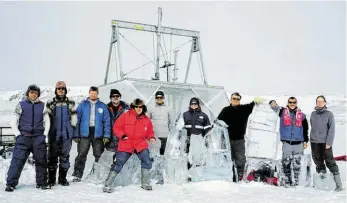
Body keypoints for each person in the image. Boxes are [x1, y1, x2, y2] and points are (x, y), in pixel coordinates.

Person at [103, 98, 156, 192]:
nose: (139, 109)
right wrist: (122, 135)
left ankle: (145, 183)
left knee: (146, 160)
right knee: (119, 162)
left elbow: (149, 132)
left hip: (140, 143)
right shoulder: (125, 116)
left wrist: (151, 137)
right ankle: (107, 184)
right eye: (137, 107)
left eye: (141, 107)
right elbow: (116, 127)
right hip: (126, 143)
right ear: (133, 107)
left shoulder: (146, 119)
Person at [6, 84, 51, 192]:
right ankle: (11, 184)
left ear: (38, 95)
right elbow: (14, 120)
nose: (34, 94)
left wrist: (45, 134)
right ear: (28, 93)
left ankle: (42, 183)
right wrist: (17, 134)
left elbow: (47, 120)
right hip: (23, 137)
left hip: (38, 137)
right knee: (17, 161)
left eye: (36, 93)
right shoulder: (21, 104)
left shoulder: (43, 105)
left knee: (41, 161)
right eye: (32, 92)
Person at [217, 92, 263, 182]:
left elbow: (252, 104)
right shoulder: (225, 110)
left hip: (239, 140)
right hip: (227, 140)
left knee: (240, 160)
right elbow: (218, 122)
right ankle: (230, 178)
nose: (236, 100)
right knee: (227, 160)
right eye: (234, 98)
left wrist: (256, 100)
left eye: (238, 99)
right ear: (231, 99)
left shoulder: (243, 109)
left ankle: (239, 178)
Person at [72, 86, 111, 182]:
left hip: (98, 134)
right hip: (84, 133)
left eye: (95, 93)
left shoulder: (102, 106)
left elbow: (107, 122)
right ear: (89, 93)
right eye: (91, 93)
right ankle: (77, 175)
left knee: (98, 155)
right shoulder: (82, 105)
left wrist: (106, 135)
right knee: (81, 154)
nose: (93, 94)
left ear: (97, 94)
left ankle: (98, 175)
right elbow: (77, 120)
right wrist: (76, 134)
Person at [270, 97, 309, 187]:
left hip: (299, 143)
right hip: (287, 142)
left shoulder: (302, 115)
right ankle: (287, 181)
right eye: (290, 102)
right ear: (288, 103)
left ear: (296, 103)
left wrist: (306, 141)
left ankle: (296, 181)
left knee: (297, 163)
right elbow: (274, 107)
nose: (292, 104)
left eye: (294, 102)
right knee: (286, 163)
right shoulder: (282, 112)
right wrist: (272, 102)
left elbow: (306, 129)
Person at [46, 81, 77, 186]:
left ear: (65, 90)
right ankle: (51, 179)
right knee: (52, 156)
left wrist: (72, 131)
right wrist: (46, 132)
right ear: (56, 90)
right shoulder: (50, 102)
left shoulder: (71, 102)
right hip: (54, 134)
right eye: (59, 88)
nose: (61, 90)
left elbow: (74, 117)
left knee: (65, 156)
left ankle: (62, 178)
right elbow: (46, 118)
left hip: (67, 134)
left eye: (63, 88)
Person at [309, 95, 343, 192]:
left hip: (325, 143)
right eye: (318, 101)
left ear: (325, 103)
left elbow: (331, 130)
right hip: (314, 142)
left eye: (321, 101)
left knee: (330, 162)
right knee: (318, 162)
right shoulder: (313, 114)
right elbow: (313, 126)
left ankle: (338, 185)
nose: (320, 103)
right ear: (316, 103)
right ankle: (323, 184)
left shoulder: (329, 114)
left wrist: (329, 143)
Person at [147, 91, 175, 184]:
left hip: (165, 137)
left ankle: (162, 177)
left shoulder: (169, 108)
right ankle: (153, 176)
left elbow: (172, 123)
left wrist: (171, 136)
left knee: (163, 157)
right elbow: (147, 121)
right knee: (154, 157)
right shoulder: (150, 108)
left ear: (163, 98)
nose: (159, 99)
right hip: (154, 137)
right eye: (157, 98)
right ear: (155, 98)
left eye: (161, 97)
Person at [183, 97, 212, 170]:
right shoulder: (185, 114)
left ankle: (197, 174)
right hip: (187, 141)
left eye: (195, 104)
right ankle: (187, 173)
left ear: (198, 105)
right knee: (187, 157)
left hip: (199, 142)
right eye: (192, 104)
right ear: (189, 105)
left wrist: (206, 141)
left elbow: (208, 130)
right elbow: (180, 127)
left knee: (198, 157)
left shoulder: (204, 115)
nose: (194, 105)